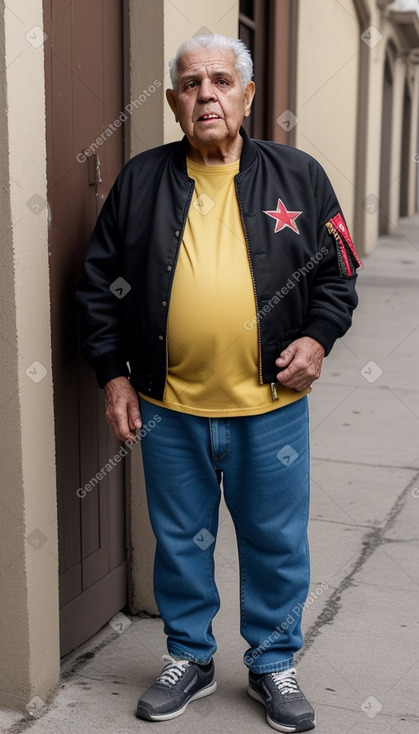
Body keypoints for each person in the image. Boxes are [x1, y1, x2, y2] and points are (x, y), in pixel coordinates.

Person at [76, 32, 362, 733]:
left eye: (220, 81)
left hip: (271, 410)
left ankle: (270, 661)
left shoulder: (298, 176)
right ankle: (190, 657)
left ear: (247, 94)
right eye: (190, 83)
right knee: (180, 541)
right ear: (174, 102)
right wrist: (113, 376)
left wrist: (316, 338)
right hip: (168, 408)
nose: (206, 93)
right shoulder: (141, 182)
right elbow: (96, 289)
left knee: (274, 540)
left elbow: (338, 272)